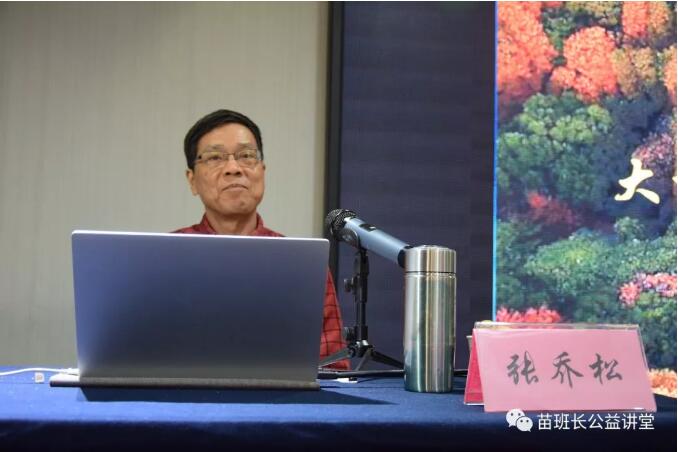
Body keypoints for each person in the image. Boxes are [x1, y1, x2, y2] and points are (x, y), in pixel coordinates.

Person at [174, 109, 349, 370]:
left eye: (246, 156)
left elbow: (332, 367)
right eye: (214, 158)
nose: (233, 169)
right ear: (192, 180)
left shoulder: (301, 264)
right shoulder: (166, 257)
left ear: (262, 171)